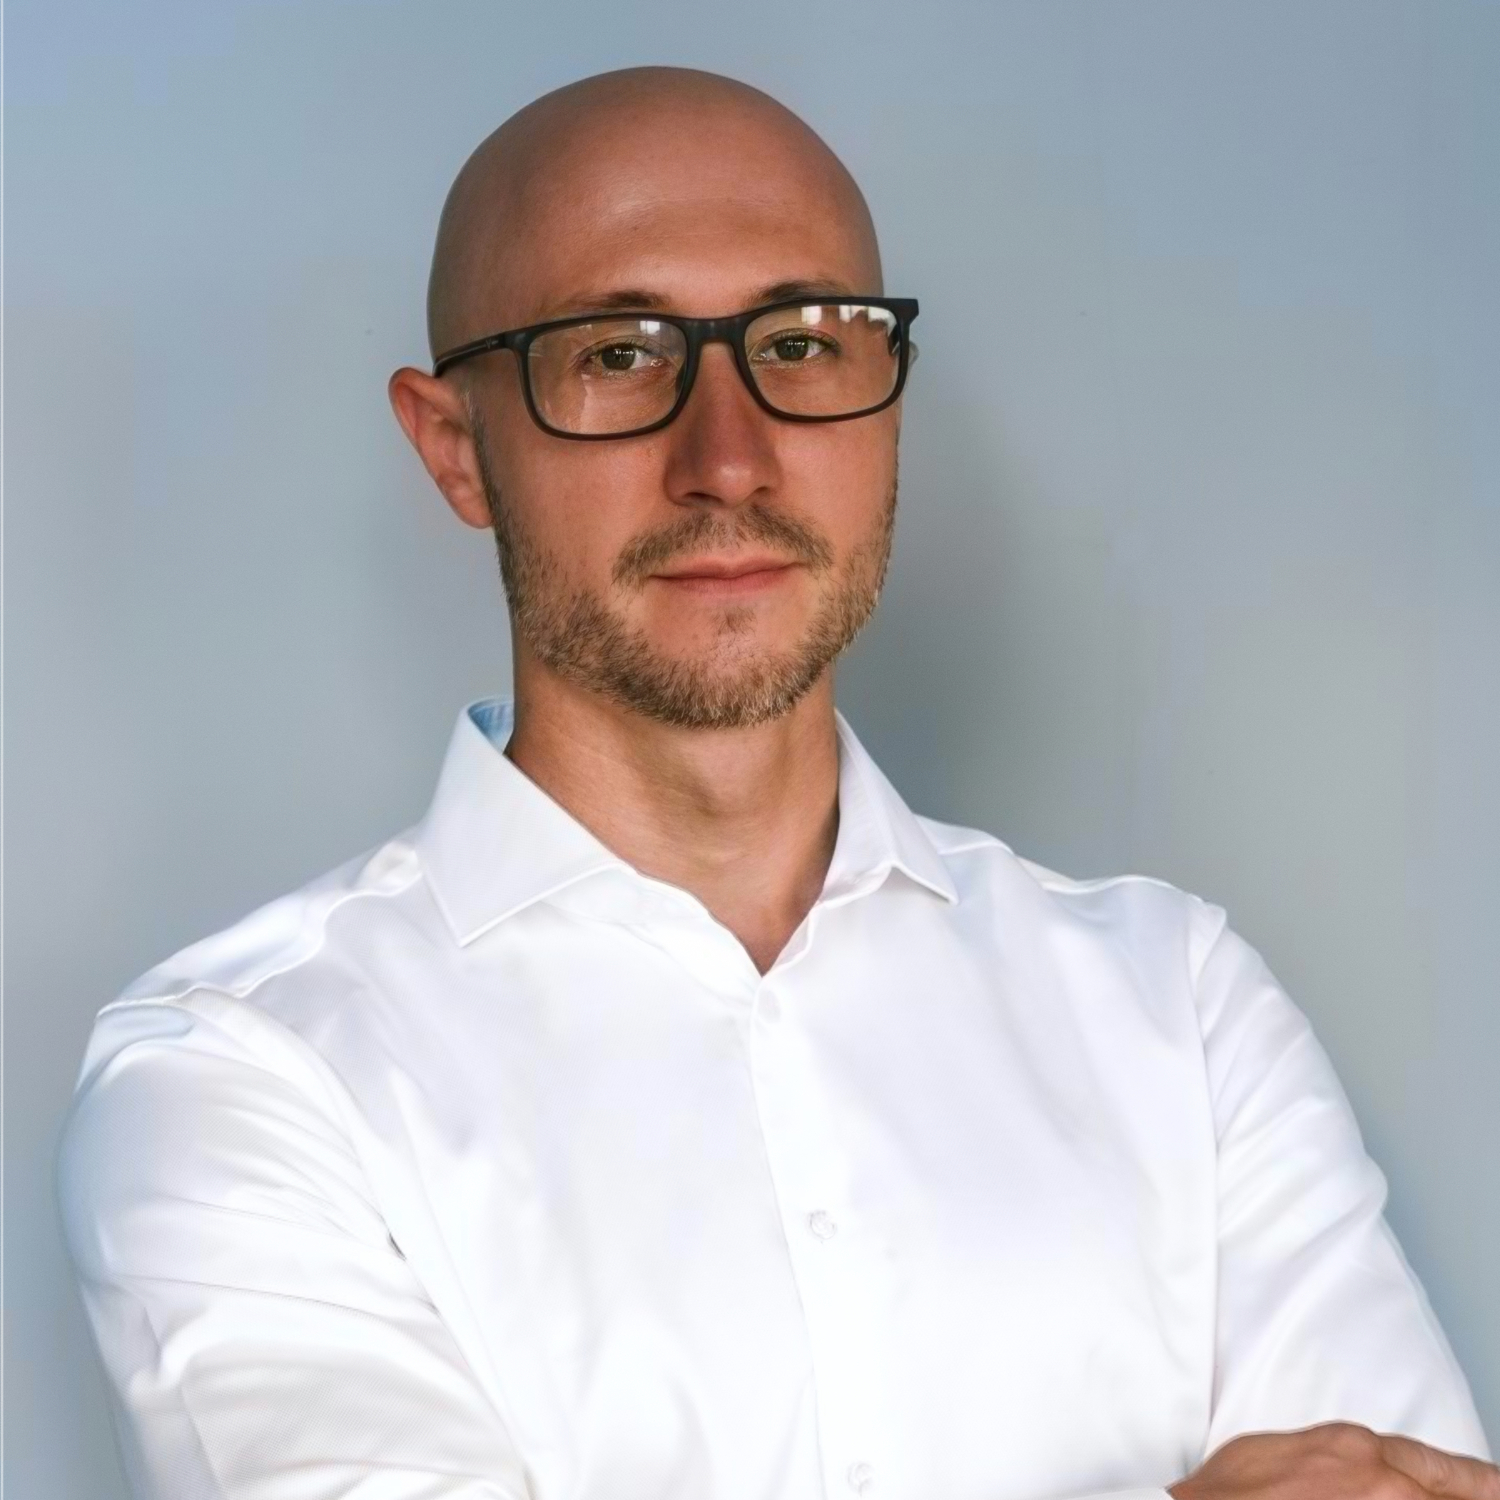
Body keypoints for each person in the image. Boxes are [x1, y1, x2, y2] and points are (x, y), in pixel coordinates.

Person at [56, 64, 1494, 1500]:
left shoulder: (1179, 1009)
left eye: (802, 344)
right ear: (456, 449)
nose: (729, 462)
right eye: (618, 354)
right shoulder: (241, 1075)